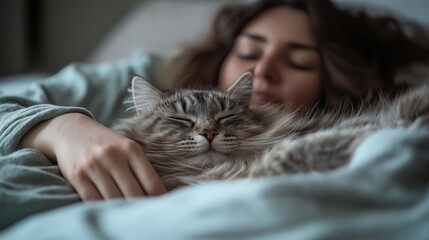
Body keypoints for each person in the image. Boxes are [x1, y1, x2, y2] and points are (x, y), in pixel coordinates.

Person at [1, 0, 428, 203]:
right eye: (248, 51)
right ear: (223, 52)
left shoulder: (301, 126)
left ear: (333, 79)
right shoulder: (140, 76)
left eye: (298, 60)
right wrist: (59, 126)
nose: (262, 71)